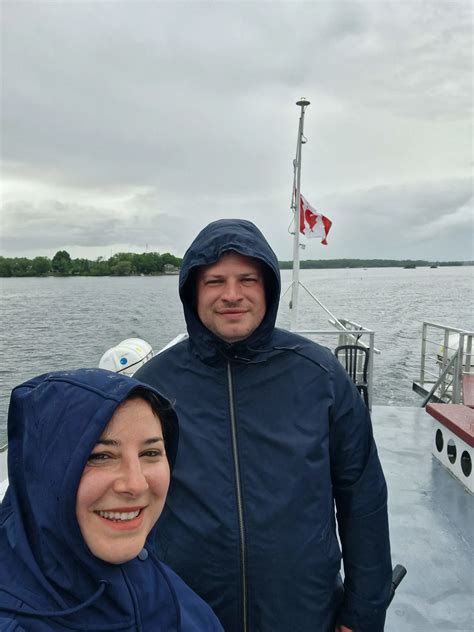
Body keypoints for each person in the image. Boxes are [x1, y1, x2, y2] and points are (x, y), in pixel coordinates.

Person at [135, 219, 392, 632]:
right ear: (193, 291)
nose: (232, 295)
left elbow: (361, 497)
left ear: (268, 288)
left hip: (304, 611)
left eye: (247, 279)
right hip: (187, 612)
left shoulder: (320, 376)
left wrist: (364, 612)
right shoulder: (153, 387)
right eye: (215, 281)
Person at [0, 368, 224, 631]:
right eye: (100, 456)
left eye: (150, 452)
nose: (136, 484)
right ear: (39, 471)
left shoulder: (160, 585)